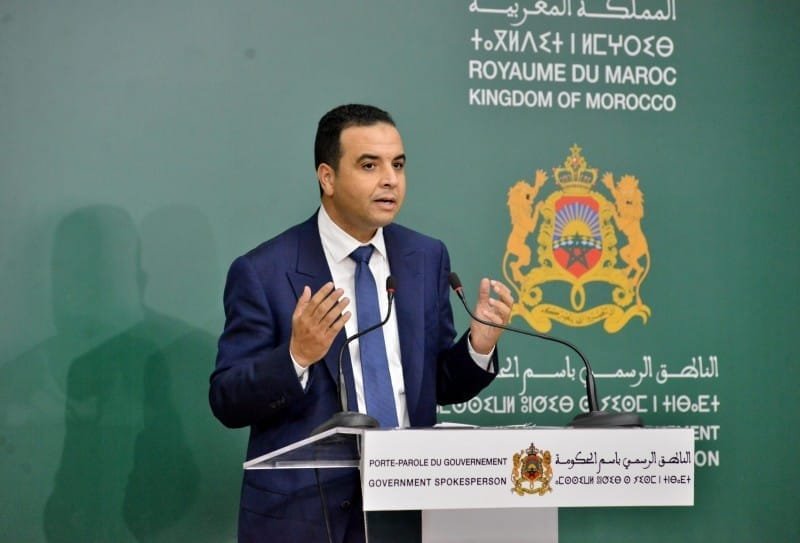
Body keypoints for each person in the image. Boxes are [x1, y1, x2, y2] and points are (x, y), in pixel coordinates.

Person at [209, 104, 514, 543]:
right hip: (304, 518)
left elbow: (437, 385)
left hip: (409, 505)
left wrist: (477, 347)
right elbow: (227, 400)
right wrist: (296, 357)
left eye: (398, 165)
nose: (390, 179)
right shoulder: (264, 271)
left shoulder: (425, 258)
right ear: (327, 178)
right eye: (370, 165)